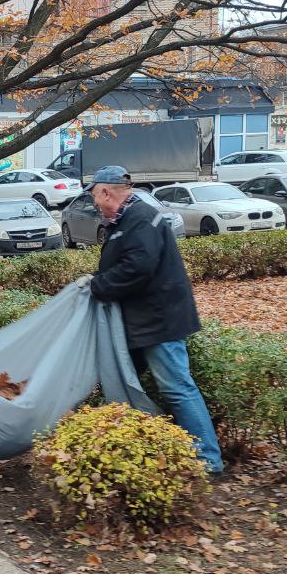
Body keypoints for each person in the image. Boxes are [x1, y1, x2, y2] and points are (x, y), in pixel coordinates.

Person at [86, 166, 224, 476]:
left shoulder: (139, 219)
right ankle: (127, 447)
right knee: (122, 385)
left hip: (159, 321)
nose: (95, 204)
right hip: (143, 320)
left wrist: (98, 285)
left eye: (95, 196)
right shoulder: (128, 220)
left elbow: (138, 267)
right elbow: (126, 264)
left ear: (106, 192)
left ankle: (208, 459)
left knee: (177, 388)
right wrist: (97, 279)